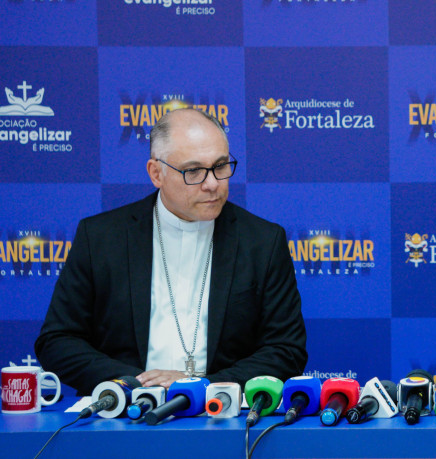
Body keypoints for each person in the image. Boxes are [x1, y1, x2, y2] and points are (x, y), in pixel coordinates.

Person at [35, 108, 307, 394]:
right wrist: (138, 384)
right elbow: (57, 341)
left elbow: (286, 350)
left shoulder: (263, 242)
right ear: (157, 173)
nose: (212, 184)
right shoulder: (100, 237)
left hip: (222, 412)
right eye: (194, 171)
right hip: (127, 410)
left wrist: (203, 387)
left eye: (221, 166)